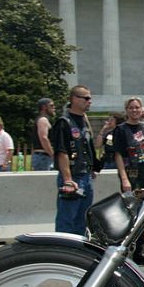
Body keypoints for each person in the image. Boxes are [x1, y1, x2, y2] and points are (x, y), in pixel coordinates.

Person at [113, 97, 144, 265]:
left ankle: (139, 252)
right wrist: (124, 179)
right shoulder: (121, 130)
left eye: (137, 108)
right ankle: (125, 250)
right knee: (131, 215)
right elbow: (118, 155)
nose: (134, 110)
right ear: (126, 110)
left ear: (141, 109)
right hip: (132, 176)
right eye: (131, 108)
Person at [52, 85, 98, 236]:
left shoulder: (84, 121)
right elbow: (62, 152)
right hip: (73, 177)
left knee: (82, 220)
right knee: (67, 220)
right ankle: (63, 252)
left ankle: (78, 253)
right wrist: (67, 180)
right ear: (73, 99)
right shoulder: (64, 122)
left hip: (86, 176)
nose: (89, 101)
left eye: (90, 98)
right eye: (86, 98)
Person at [31, 97, 56, 171]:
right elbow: (44, 138)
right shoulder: (43, 120)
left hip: (43, 157)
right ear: (44, 107)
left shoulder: (43, 119)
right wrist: (53, 155)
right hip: (43, 157)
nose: (54, 108)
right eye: (51, 106)